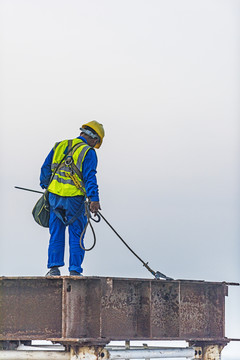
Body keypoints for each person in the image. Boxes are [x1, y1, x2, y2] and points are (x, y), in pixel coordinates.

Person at [40, 121, 104, 276]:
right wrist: (94, 199)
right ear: (94, 138)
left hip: (55, 197)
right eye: (96, 142)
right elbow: (90, 177)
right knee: (77, 233)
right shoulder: (88, 152)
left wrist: (46, 185)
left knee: (56, 232)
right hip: (75, 200)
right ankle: (75, 270)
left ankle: (54, 269)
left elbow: (45, 169)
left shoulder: (60, 145)